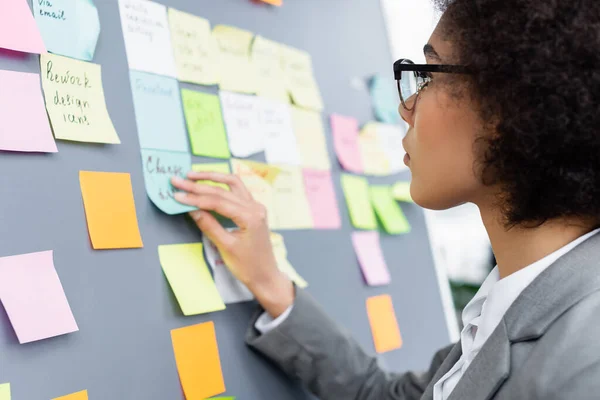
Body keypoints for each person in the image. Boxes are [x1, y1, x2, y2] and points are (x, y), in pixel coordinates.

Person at [170, 0, 600, 398]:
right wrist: (270, 284)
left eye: (429, 74)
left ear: (512, 108)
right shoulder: (513, 298)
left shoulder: (583, 365)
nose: (407, 106)